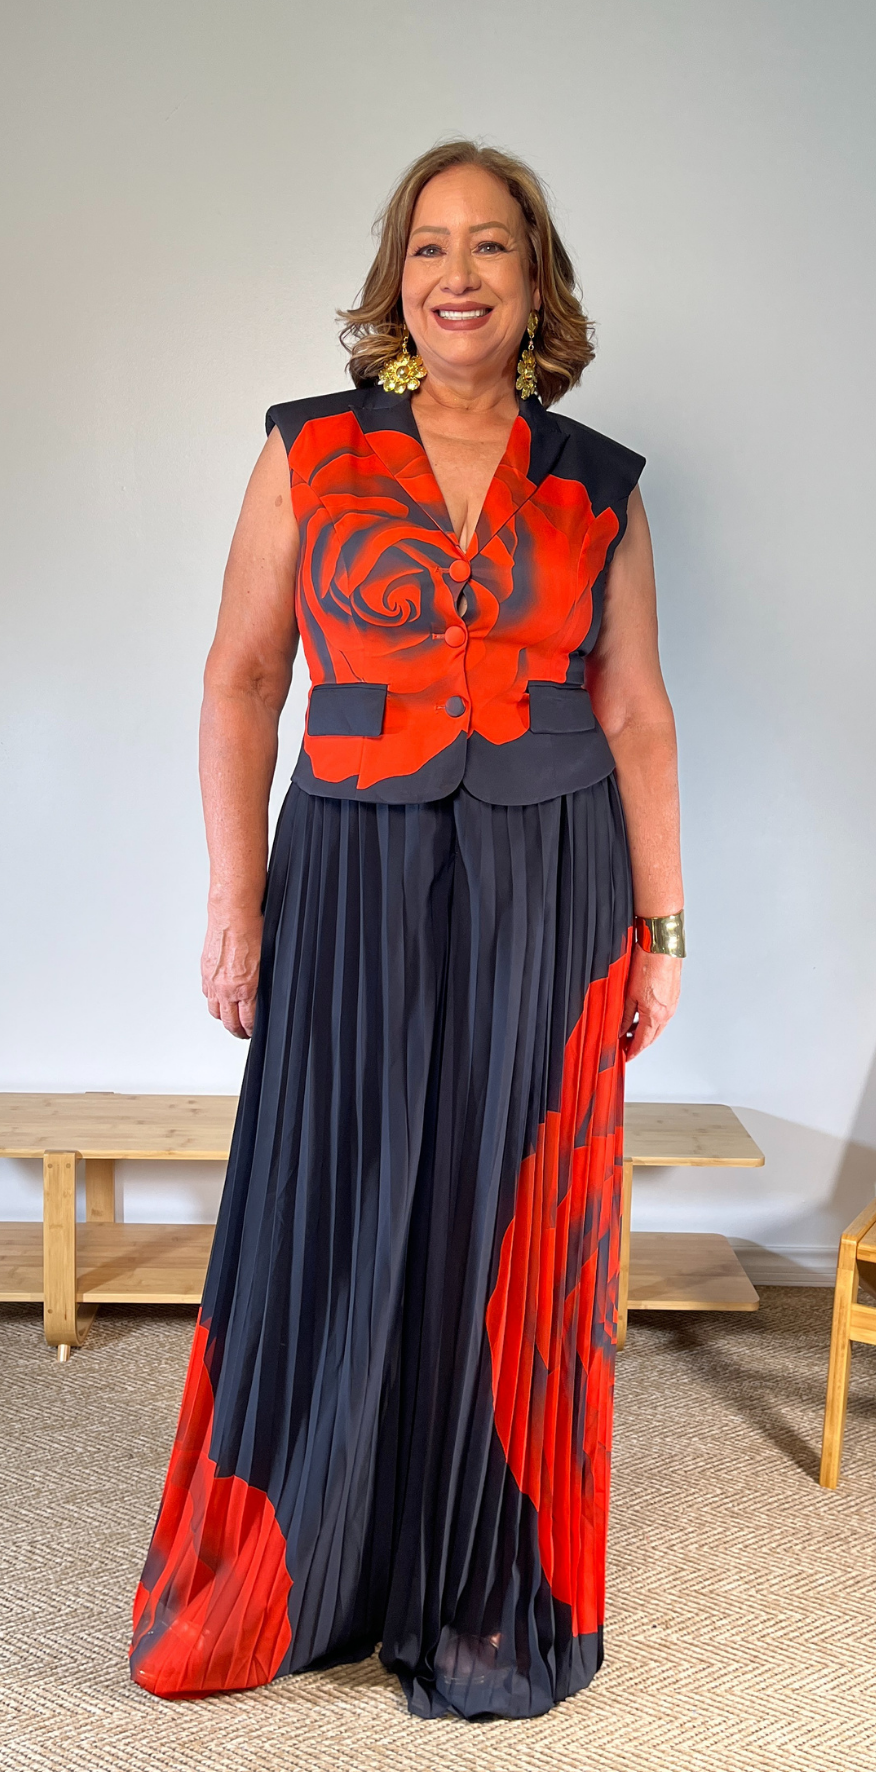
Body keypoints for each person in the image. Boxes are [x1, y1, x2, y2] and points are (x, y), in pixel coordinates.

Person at [129, 139, 684, 1722]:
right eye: (431, 245)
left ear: (534, 282)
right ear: (395, 281)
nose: (458, 274)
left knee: (511, 1217)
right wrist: (235, 901)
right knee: (338, 1190)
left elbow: (636, 713)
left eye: (491, 246)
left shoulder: (599, 481)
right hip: (352, 864)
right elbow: (243, 681)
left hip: (553, 872)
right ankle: (309, 1563)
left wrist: (661, 927)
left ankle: (485, 1585)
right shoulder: (307, 450)